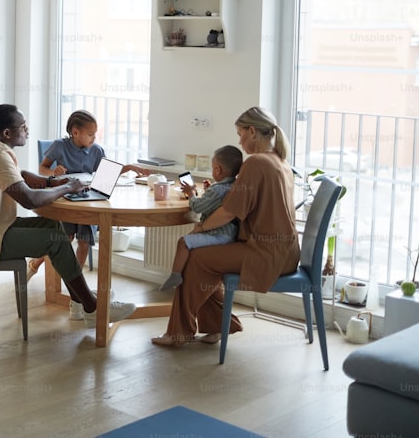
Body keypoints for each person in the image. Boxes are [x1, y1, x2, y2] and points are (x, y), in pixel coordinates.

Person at [0, 104, 137, 326]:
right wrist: (68, 188)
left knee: (54, 227)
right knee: (54, 242)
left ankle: (81, 301)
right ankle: (92, 307)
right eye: (23, 127)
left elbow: (20, 175)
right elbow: (30, 200)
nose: (27, 131)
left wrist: (51, 182)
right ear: (7, 133)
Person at [151, 107, 300, 346]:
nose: (239, 141)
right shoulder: (280, 162)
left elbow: (228, 212)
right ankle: (219, 326)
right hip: (287, 254)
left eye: (240, 134)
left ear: (252, 131)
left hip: (265, 254)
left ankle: (179, 333)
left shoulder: (256, 163)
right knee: (205, 260)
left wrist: (201, 228)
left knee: (196, 257)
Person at [29, 110, 152, 320]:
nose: (94, 138)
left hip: (87, 200)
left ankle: (77, 296)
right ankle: (36, 263)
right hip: (66, 199)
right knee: (64, 239)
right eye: (90, 134)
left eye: (95, 134)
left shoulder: (96, 150)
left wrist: (129, 167)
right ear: (75, 132)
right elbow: (42, 169)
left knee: (84, 243)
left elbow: (106, 174)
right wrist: (53, 173)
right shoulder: (60, 146)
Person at [158, 145, 243, 292]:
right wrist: (208, 190)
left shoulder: (217, 190)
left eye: (212, 167)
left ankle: (176, 274)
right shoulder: (232, 185)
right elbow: (215, 203)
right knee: (190, 239)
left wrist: (191, 194)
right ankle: (180, 276)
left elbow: (197, 207)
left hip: (219, 235)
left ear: (217, 169)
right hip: (229, 234)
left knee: (183, 242)